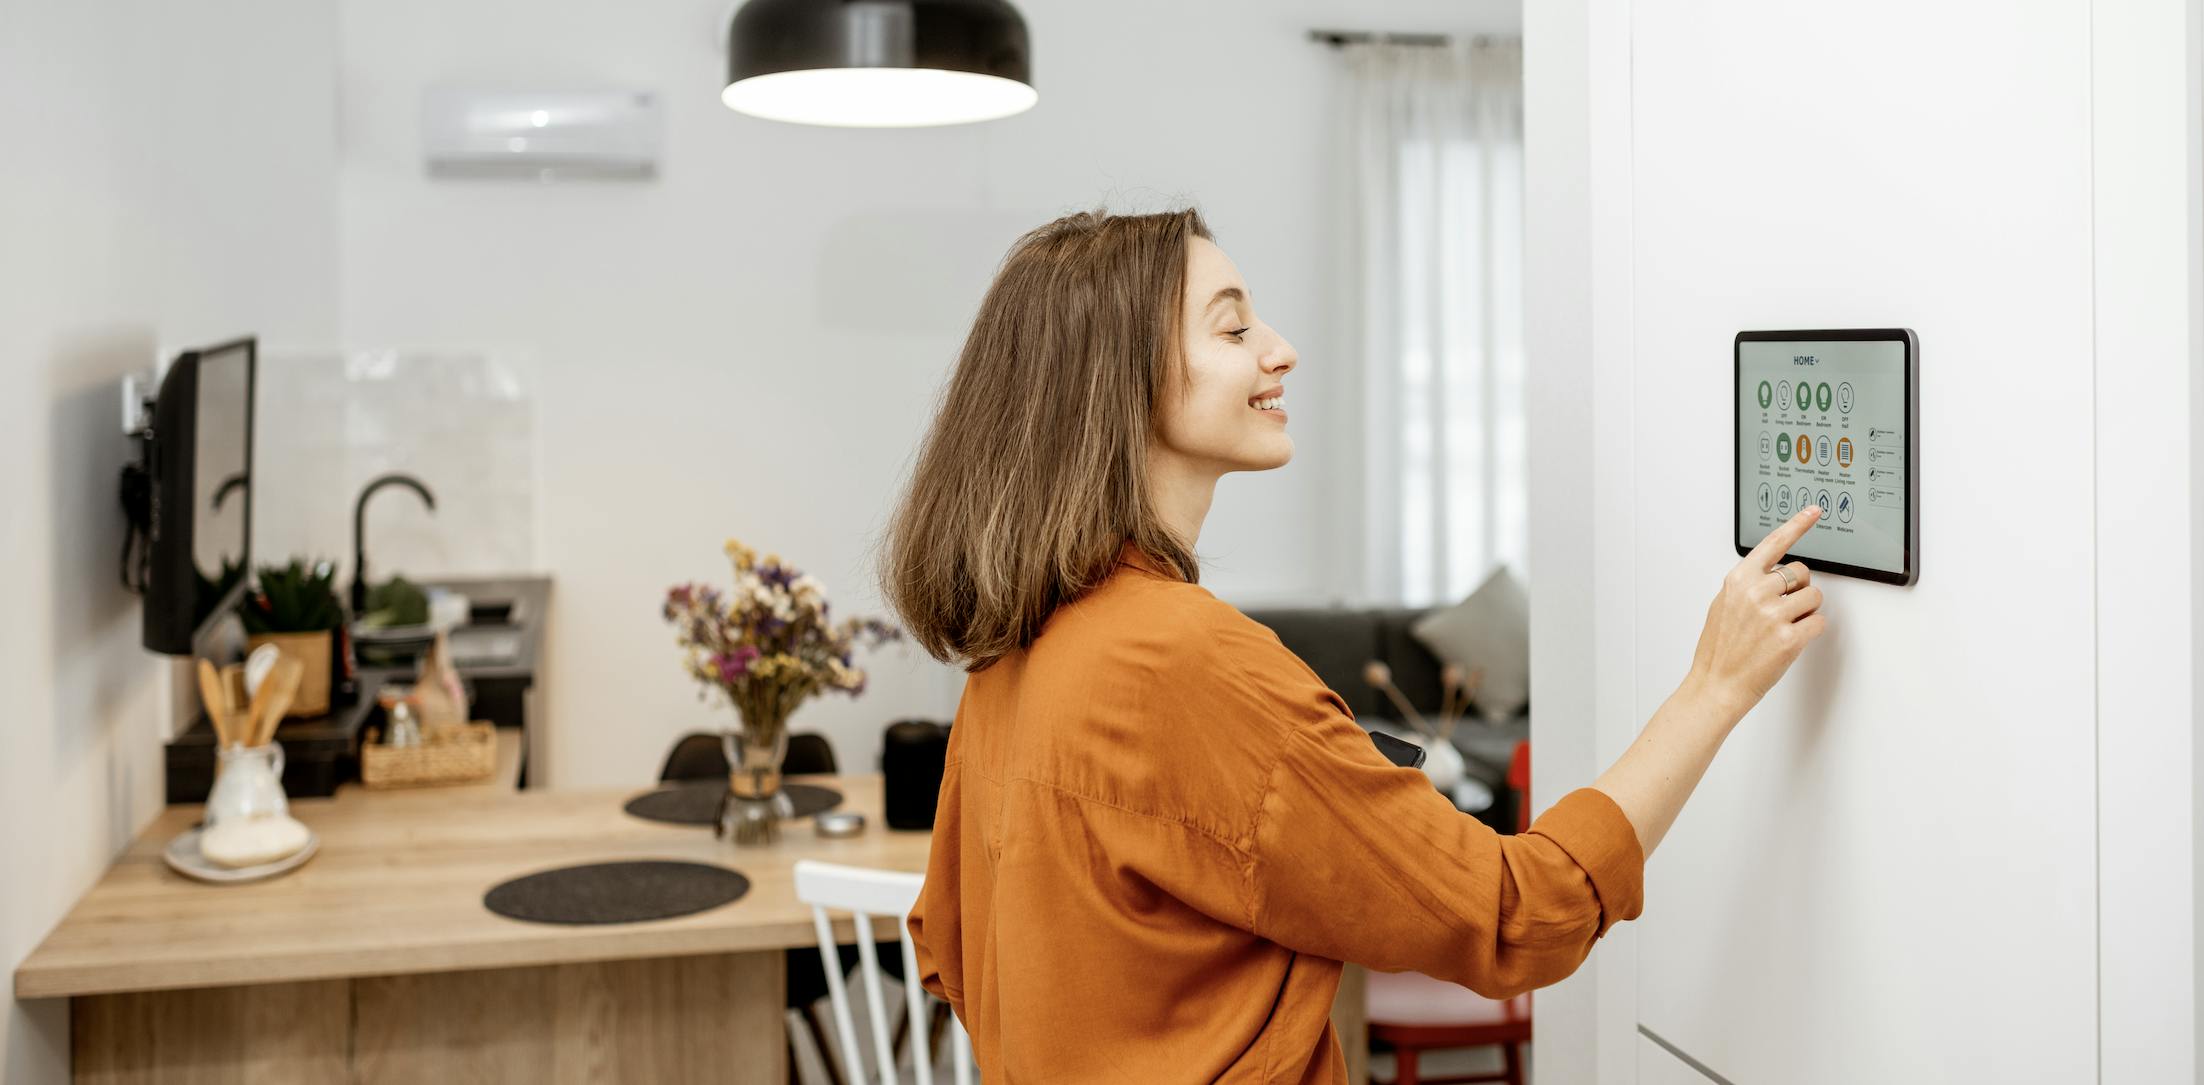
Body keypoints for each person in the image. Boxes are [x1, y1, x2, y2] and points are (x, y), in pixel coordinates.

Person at [879, 208, 1827, 1083]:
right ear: (1119, 381)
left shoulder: (1012, 651)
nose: (1281, 351)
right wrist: (1713, 686)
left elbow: (954, 952)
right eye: (1234, 327)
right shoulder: (1184, 659)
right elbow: (1516, 914)